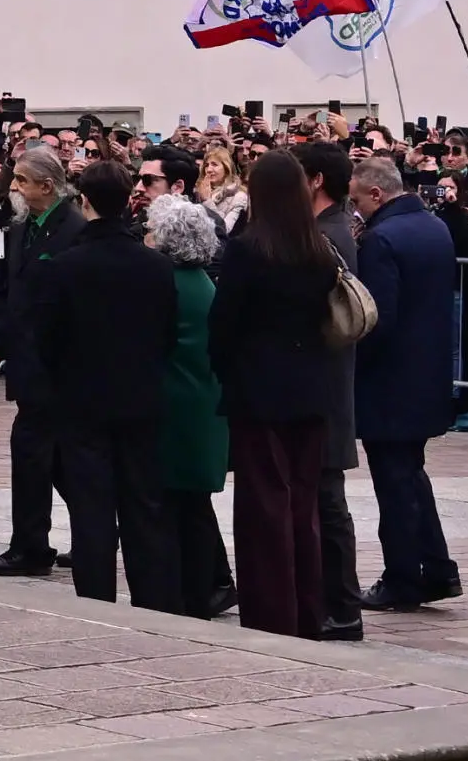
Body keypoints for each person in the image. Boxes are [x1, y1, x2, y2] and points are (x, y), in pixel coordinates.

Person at [208, 152, 342, 638]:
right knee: (302, 505)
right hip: (309, 387)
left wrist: (225, 369)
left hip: (259, 388)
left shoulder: (248, 250)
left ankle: (271, 612)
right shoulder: (319, 250)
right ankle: (308, 610)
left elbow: (224, 323)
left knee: (264, 506)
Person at [33, 162, 179, 607]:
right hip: (142, 398)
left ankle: (95, 597)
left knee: (91, 510)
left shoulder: (65, 267)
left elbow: (47, 339)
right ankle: (153, 600)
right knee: (144, 506)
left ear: (86, 202)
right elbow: (169, 333)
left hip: (83, 402)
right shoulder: (155, 266)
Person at [351, 157, 461, 611]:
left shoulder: (382, 238)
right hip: (426, 371)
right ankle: (435, 567)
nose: (355, 208)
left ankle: (403, 576)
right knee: (411, 477)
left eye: (357, 199)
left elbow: (379, 318)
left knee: (395, 483)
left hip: (390, 380)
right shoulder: (435, 228)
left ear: (377, 193)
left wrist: (353, 366)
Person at [0, 149, 82, 577]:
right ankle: (76, 531)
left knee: (37, 452)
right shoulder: (22, 230)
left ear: (47, 185)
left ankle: (30, 546)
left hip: (59, 363)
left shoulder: (74, 229)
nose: (14, 188)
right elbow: (10, 291)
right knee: (48, 456)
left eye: (22, 180)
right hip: (27, 358)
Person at [145, 196, 233, 618]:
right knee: (194, 504)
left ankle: (186, 592)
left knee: (175, 506)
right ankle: (203, 588)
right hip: (203, 404)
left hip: (175, 405)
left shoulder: (168, 285)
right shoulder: (203, 283)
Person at [296, 142, 366, 640]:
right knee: (322, 497)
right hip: (327, 381)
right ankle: (333, 602)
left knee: (327, 500)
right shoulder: (329, 231)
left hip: (325, 381)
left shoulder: (328, 236)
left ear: (316, 180)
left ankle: (340, 606)